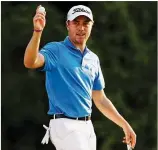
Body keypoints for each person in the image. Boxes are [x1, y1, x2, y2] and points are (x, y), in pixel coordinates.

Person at [24, 4, 136, 150]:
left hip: (87, 128)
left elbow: (100, 99)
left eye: (85, 23)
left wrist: (124, 125)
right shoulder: (56, 50)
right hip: (65, 125)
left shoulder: (93, 59)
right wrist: (37, 32)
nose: (81, 28)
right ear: (67, 25)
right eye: (76, 23)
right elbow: (30, 62)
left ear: (92, 25)